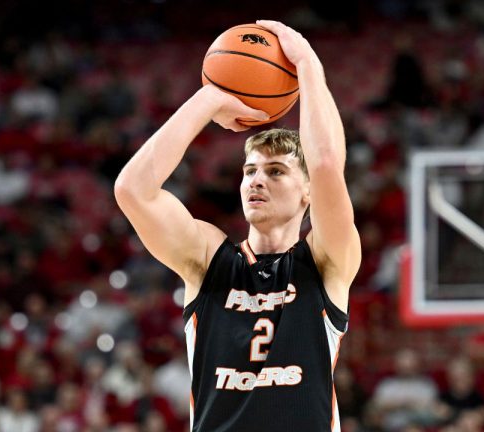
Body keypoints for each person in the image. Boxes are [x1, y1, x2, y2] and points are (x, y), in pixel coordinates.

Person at [114, 20, 361, 432]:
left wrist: (307, 65)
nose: (257, 180)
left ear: (307, 194)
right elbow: (132, 190)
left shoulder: (325, 261)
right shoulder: (209, 258)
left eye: (276, 171)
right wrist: (208, 99)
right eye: (249, 170)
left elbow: (325, 166)